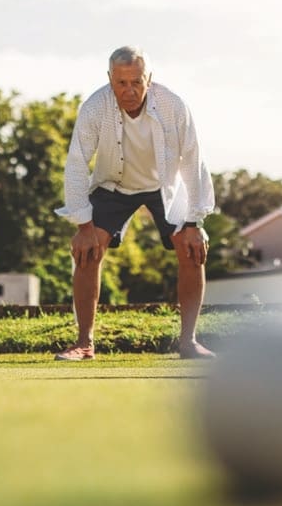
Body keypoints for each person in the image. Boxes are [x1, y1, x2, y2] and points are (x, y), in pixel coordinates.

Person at [55, 46, 216, 361]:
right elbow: (76, 163)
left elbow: (193, 160)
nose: (129, 91)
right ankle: (84, 343)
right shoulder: (94, 107)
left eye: (136, 83)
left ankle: (189, 342)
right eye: (121, 83)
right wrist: (83, 225)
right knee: (87, 250)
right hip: (113, 185)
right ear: (110, 79)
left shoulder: (173, 105)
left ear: (149, 79)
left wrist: (196, 222)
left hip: (164, 186)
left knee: (191, 248)